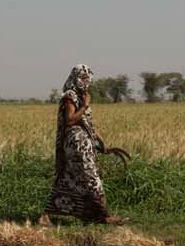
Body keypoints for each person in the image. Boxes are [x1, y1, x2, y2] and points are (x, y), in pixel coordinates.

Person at [39, 64, 128, 226]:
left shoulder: (81, 96)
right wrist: (85, 105)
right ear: (76, 78)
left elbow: (87, 124)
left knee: (68, 178)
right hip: (76, 147)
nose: (87, 82)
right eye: (84, 78)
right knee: (92, 179)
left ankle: (47, 216)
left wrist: (102, 144)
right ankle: (104, 216)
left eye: (89, 79)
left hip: (83, 146)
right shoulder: (70, 96)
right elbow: (71, 120)